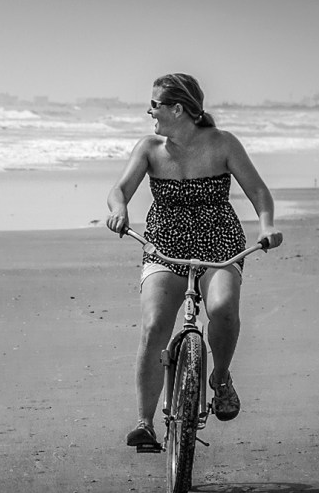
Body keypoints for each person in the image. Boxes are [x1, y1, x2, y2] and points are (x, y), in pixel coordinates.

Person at [105, 73, 283, 449]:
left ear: (178, 109)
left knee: (223, 310)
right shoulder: (150, 148)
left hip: (219, 244)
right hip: (164, 245)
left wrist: (266, 226)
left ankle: (219, 377)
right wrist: (119, 210)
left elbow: (259, 192)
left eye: (154, 105)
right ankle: (145, 423)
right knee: (155, 325)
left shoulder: (222, 144)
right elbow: (119, 189)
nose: (149, 111)